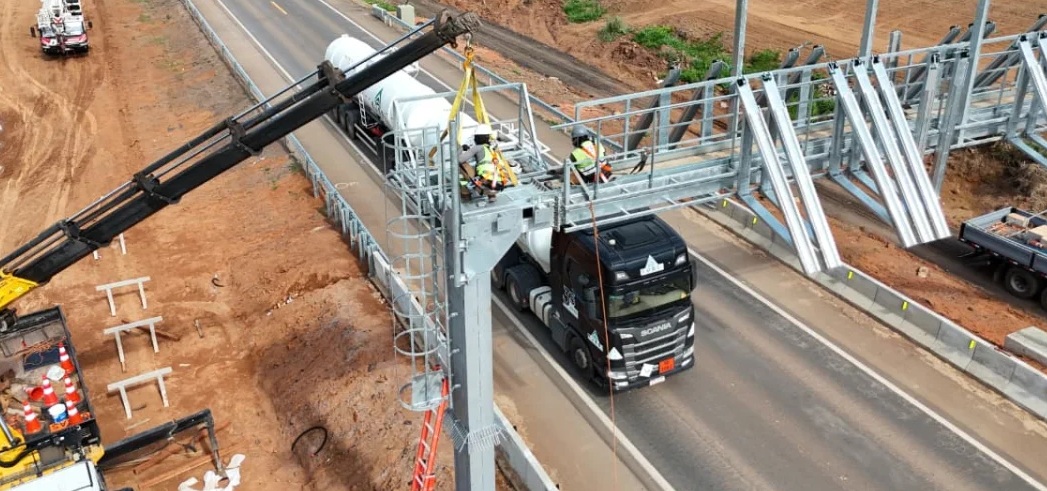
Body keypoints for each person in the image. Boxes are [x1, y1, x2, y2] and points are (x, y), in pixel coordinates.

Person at [458, 124, 502, 201]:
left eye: (475, 137)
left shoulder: (478, 147)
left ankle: (465, 193)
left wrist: (461, 148)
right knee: (490, 170)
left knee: (460, 165)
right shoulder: (494, 147)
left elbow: (459, 160)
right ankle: (492, 196)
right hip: (499, 186)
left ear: (478, 137)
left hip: (483, 187)